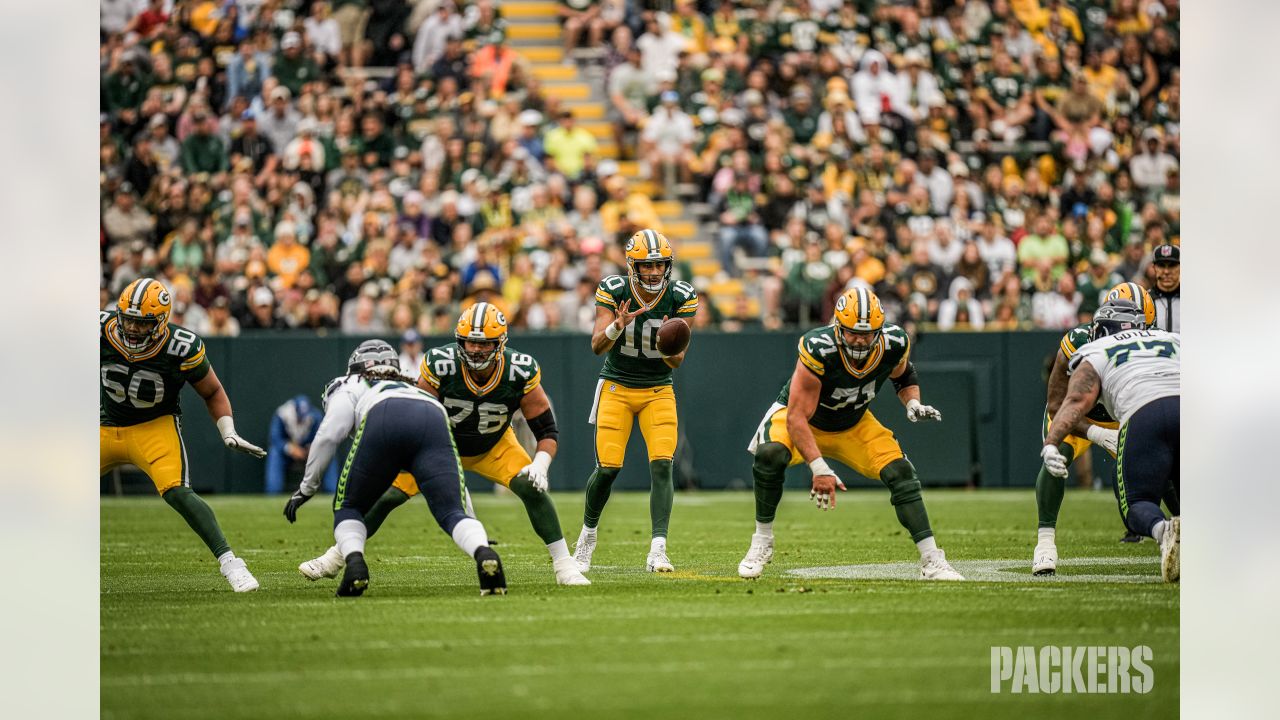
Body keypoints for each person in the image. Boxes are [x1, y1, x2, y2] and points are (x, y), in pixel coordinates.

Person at [296, 304, 590, 586]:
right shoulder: (441, 364)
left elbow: (547, 429)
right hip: (437, 445)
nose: (474, 349)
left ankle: (564, 565)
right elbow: (417, 410)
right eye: (468, 342)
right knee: (386, 497)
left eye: (483, 343)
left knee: (531, 487)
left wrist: (540, 464)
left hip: (494, 445)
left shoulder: (519, 370)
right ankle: (336, 557)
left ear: (500, 343)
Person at [737, 288, 964, 581]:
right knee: (770, 454)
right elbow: (796, 418)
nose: (859, 339)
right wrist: (819, 468)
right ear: (837, 327)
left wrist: (912, 402)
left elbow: (903, 374)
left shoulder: (894, 342)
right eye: (852, 332)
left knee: (901, 473)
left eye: (867, 333)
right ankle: (762, 542)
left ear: (879, 331)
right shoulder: (819, 347)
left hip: (853, 423)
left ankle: (933, 560)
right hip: (804, 419)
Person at [282, 340, 507, 597]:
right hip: (434, 414)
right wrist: (474, 528)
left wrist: (307, 487)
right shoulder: (411, 383)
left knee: (348, 507)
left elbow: (330, 434)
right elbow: (456, 489)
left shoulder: (347, 384)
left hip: (383, 415)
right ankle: (483, 553)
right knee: (452, 512)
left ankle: (355, 564)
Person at [100, 278, 266, 592]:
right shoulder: (100, 330)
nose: (133, 329)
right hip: (103, 425)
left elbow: (212, 390)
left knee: (177, 491)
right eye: (128, 320)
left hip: (154, 426)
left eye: (141, 323)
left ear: (162, 322)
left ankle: (232, 563)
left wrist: (227, 430)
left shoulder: (181, 345)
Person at [574, 230, 699, 573]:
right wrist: (617, 325)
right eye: (647, 266)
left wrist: (666, 342)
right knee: (608, 469)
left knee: (662, 464)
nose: (655, 272)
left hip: (658, 388)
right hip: (616, 386)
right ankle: (587, 536)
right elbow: (597, 345)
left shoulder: (682, 295)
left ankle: (658, 548)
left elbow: (677, 360)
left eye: (660, 265)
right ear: (633, 266)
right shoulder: (614, 290)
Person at [1031, 282, 1173, 575]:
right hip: (1080, 411)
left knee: (1167, 459)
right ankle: (1045, 543)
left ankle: (1179, 532)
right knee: (1056, 457)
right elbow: (1059, 407)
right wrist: (1097, 433)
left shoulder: (1161, 340)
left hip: (1126, 406)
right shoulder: (1079, 341)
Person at [265, 394, 336, 495]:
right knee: (274, 453)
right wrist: (289, 448)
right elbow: (275, 439)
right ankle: (273, 494)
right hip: (287, 455)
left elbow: (323, 439)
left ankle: (332, 494)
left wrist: (312, 448)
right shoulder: (282, 414)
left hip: (309, 454)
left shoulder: (315, 416)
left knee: (328, 453)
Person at [1149, 243, 1180, 332]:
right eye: (1161, 265)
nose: (1166, 271)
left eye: (1172, 265)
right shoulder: (1145, 300)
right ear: (1154, 267)